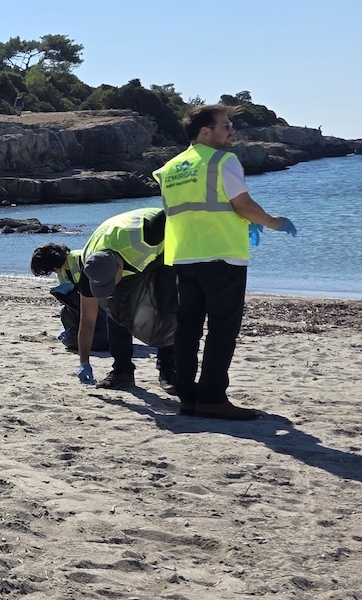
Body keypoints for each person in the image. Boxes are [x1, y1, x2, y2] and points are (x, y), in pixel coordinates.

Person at [152, 104, 298, 420]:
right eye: (225, 125)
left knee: (187, 330)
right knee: (222, 330)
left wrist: (247, 220)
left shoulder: (171, 168)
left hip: (184, 257)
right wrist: (272, 222)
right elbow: (242, 203)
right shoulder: (223, 160)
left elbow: (192, 209)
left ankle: (188, 396)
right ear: (205, 132)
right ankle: (213, 397)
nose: (232, 131)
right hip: (221, 256)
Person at [30, 208, 177, 393]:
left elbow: (173, 209)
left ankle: (168, 371)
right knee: (115, 312)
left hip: (161, 252)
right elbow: (87, 320)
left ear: (119, 269)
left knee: (165, 307)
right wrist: (84, 362)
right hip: (122, 253)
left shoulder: (147, 234)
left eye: (108, 284)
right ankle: (122, 371)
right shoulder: (89, 270)